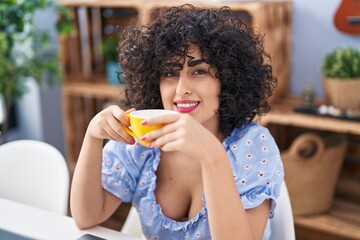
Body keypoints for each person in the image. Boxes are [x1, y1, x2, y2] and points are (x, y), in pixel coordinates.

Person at [70, 4, 284, 240]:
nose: (181, 90)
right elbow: (85, 217)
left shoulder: (253, 145)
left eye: (199, 71)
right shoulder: (142, 139)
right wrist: (92, 136)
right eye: (170, 73)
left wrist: (211, 155)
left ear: (228, 80)